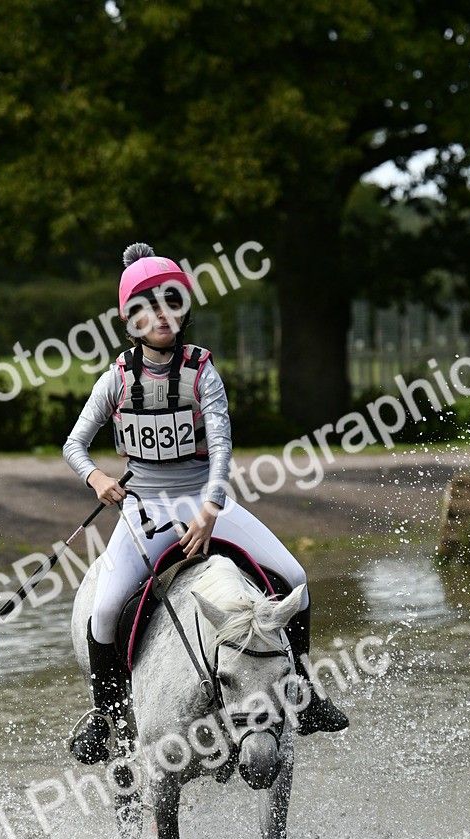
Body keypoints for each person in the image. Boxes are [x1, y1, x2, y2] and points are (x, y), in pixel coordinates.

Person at [63, 242, 349, 764]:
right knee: (104, 610)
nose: (161, 316)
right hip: (145, 510)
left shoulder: (202, 373)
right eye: (146, 309)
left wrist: (210, 510)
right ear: (130, 322)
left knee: (296, 578)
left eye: (171, 304)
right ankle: (107, 718)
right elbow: (73, 444)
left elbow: (221, 446)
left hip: (205, 499)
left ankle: (303, 692)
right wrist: (97, 478)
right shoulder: (116, 379)